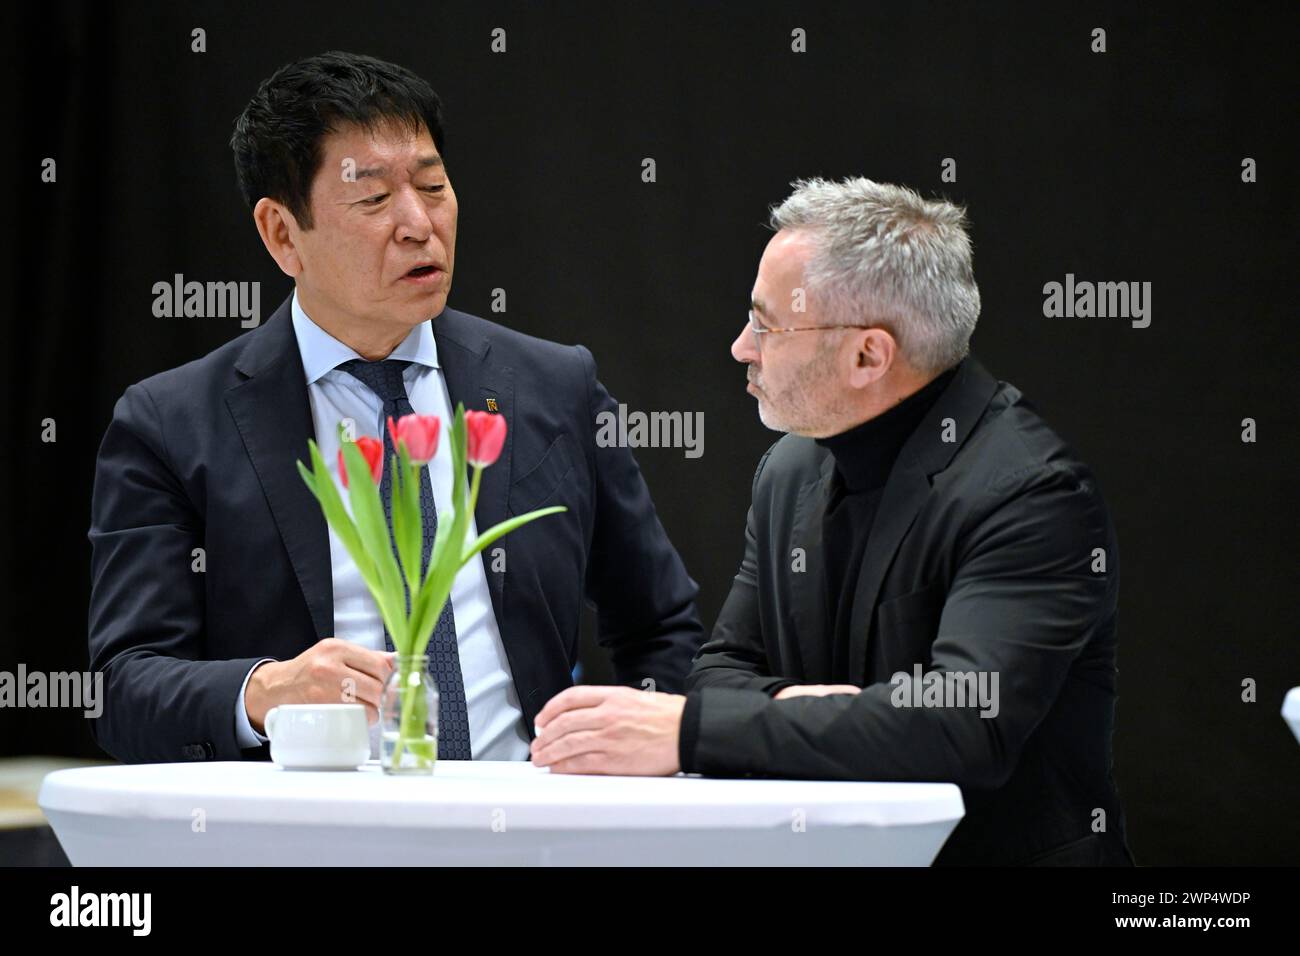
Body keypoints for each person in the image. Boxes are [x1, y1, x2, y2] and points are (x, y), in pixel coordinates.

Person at [87, 51, 702, 765]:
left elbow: (661, 624)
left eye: (433, 186)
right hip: (309, 837)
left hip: (526, 825)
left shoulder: (552, 385)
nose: (418, 223)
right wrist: (264, 690)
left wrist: (655, 763)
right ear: (283, 233)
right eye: (374, 200)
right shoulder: (171, 425)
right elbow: (122, 691)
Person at [530, 177, 1135, 866]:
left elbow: (961, 727)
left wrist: (689, 732)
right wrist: (800, 704)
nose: (740, 347)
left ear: (868, 356)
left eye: (767, 325)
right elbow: (721, 669)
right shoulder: (791, 468)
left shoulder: (1031, 492)